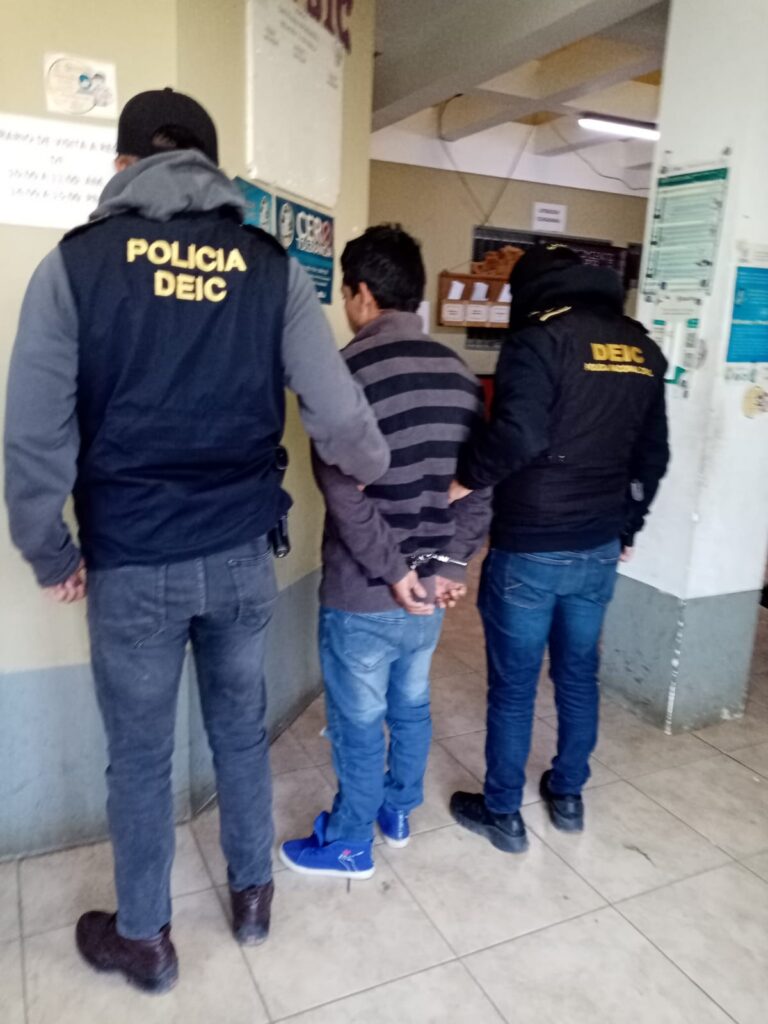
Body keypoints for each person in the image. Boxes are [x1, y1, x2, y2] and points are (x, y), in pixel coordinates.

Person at [3, 88, 390, 993]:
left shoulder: (76, 265)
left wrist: (49, 551)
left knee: (140, 758)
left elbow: (32, 434)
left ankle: (145, 939)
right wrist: (371, 464)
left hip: (132, 561)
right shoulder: (270, 268)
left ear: (122, 164)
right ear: (213, 172)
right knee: (239, 732)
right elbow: (341, 416)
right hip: (242, 554)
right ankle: (253, 896)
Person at [280, 225, 491, 878]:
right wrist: (443, 567)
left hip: (364, 592)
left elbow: (344, 496)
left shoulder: (344, 376)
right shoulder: (460, 376)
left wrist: (393, 570)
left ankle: (349, 840)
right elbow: (482, 483)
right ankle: (398, 812)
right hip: (427, 592)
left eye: (346, 295)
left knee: (359, 719)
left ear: (363, 294)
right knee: (411, 703)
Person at [448, 243, 669, 853]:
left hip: (530, 545)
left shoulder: (537, 339)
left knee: (515, 686)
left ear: (530, 290)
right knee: (577, 674)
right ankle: (568, 795)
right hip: (598, 545)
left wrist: (465, 478)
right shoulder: (641, 347)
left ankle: (502, 812)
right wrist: (629, 527)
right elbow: (654, 456)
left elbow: (518, 435)